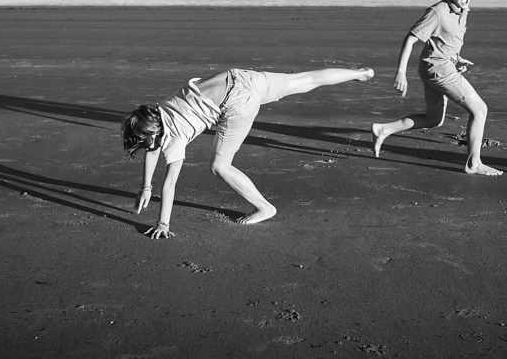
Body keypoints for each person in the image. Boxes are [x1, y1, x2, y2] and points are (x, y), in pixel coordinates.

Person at [123, 66, 374, 239]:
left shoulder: (175, 139)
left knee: (219, 167)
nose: (146, 148)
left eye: (143, 143)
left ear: (153, 135)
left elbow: (170, 184)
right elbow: (153, 147)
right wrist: (146, 187)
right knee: (304, 79)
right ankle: (360, 73)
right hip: (239, 77)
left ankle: (265, 208)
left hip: (238, 102)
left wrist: (163, 223)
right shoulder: (161, 108)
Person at [369, 0, 501, 175]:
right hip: (439, 70)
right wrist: (401, 72)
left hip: (437, 66)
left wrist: (456, 57)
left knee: (433, 120)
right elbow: (410, 38)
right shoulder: (437, 12)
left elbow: (445, 41)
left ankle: (384, 129)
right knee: (480, 110)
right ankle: (474, 164)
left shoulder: (462, 9)